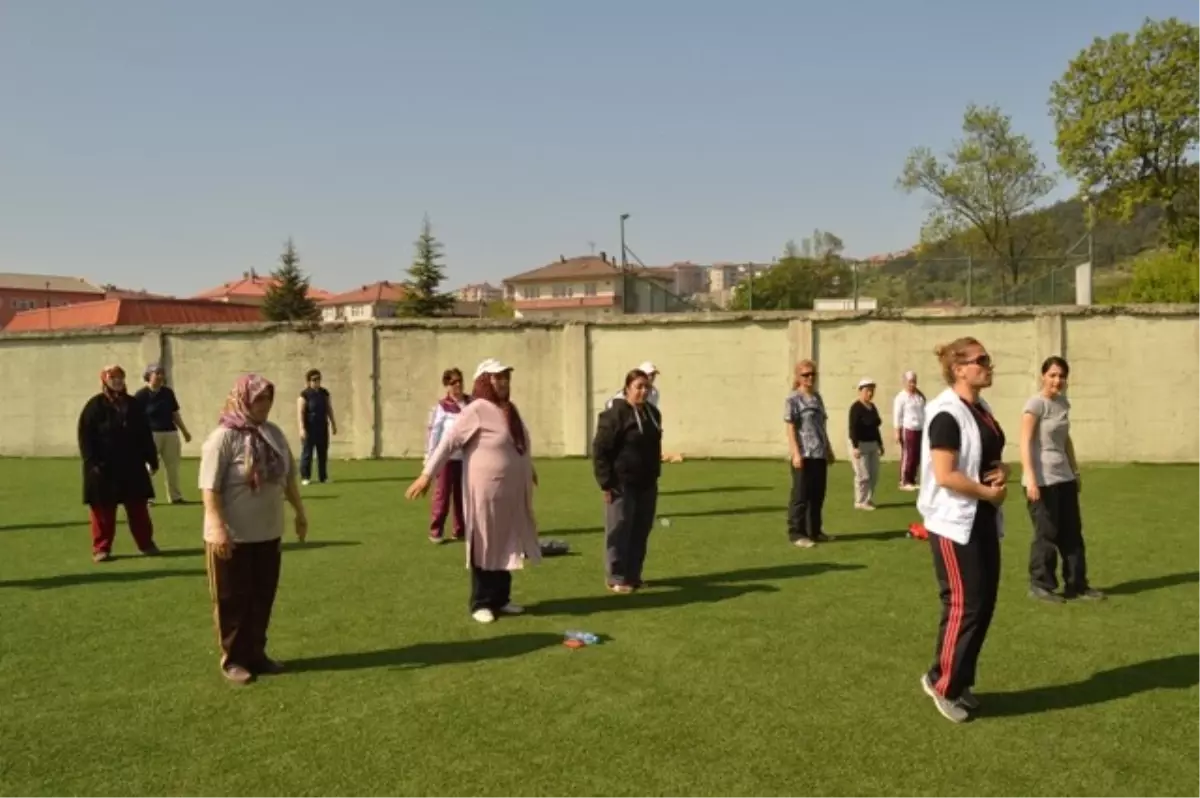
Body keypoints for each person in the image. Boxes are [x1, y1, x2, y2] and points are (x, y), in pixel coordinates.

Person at [405, 358, 541, 624]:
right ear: (484, 381)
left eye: (506, 377)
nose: (503, 382)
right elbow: (449, 441)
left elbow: (518, 444)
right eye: (497, 377)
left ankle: (502, 598)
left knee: (506, 540)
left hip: (511, 493)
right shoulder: (477, 409)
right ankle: (481, 601)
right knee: (484, 541)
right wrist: (427, 475)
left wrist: (528, 467)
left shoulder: (510, 409)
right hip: (485, 492)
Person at [916, 337, 1009, 723]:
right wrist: (988, 491)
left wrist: (1004, 472)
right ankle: (943, 684)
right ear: (959, 368)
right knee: (963, 604)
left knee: (983, 605)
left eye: (988, 358)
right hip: (954, 523)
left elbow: (987, 455)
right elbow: (945, 474)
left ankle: (959, 679)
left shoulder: (980, 408)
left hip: (982, 517)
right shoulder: (945, 414)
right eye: (980, 360)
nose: (988, 366)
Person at [200, 374, 308, 685]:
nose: (265, 405)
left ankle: (256, 654)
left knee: (262, 596)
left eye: (268, 399)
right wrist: (218, 527)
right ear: (243, 398)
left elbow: (287, 478)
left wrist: (300, 513)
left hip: (268, 532)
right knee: (232, 599)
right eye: (259, 398)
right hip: (233, 536)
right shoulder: (223, 438)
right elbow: (209, 488)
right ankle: (233, 659)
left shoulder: (273, 433)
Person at [1020, 356, 1104, 604]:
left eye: (1062, 376)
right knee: (1046, 534)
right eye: (1053, 375)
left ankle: (1077, 584)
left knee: (1072, 533)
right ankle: (1040, 585)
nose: (1057, 380)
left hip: (1064, 477)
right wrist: (1032, 479)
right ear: (1043, 376)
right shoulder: (1035, 405)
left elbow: (1065, 440)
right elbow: (1024, 442)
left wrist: (1075, 472)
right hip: (1042, 481)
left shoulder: (1063, 403)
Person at [78, 365, 161, 562]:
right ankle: (101, 548)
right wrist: (92, 464)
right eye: (112, 377)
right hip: (103, 467)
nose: (117, 381)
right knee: (102, 511)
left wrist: (151, 458)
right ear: (104, 380)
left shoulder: (133, 404)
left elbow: (144, 434)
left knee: (138, 508)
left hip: (132, 465)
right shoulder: (94, 406)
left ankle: (146, 544)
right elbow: (85, 437)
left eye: (120, 377)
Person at [593, 368, 664, 594]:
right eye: (638, 387)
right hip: (621, 483)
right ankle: (616, 577)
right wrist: (606, 483)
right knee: (619, 529)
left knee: (640, 529)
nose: (643, 391)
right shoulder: (614, 415)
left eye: (647, 387)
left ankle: (633, 575)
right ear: (627, 389)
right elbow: (600, 450)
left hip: (647, 482)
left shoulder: (653, 413)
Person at [784, 359, 835, 548]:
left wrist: (828, 448)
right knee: (801, 495)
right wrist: (795, 453)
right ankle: (797, 533)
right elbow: (790, 428)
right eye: (805, 374)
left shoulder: (817, 398)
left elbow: (821, 425)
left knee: (817, 495)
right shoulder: (793, 399)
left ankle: (815, 531)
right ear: (798, 377)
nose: (810, 378)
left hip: (819, 453)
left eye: (812, 374)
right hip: (803, 454)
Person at [134, 362, 193, 504]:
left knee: (173, 467)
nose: (160, 376)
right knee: (151, 467)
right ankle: (148, 497)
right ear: (149, 376)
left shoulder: (168, 393)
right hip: (151, 435)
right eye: (157, 373)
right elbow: (135, 417)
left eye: (161, 373)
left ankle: (175, 497)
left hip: (170, 433)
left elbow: (174, 413)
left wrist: (184, 431)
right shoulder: (141, 395)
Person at [425, 367, 471, 544]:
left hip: (465, 458)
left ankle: (460, 530)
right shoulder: (442, 406)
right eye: (453, 382)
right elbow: (435, 432)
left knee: (462, 497)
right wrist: (430, 457)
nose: (458, 385)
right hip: (446, 458)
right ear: (446, 385)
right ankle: (436, 531)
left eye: (460, 381)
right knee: (442, 495)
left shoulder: (470, 402)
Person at [297, 369, 337, 485]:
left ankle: (323, 477)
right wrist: (301, 429)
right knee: (307, 453)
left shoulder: (324, 393)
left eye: (318, 379)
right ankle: (305, 476)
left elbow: (329, 409)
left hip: (322, 426)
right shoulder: (304, 395)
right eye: (314, 380)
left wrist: (333, 424)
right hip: (309, 427)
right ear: (309, 381)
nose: (317, 382)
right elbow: (300, 413)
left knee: (322, 452)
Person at [849, 377, 883, 510]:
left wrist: (880, 444)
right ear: (860, 391)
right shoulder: (856, 408)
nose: (870, 393)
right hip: (860, 444)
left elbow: (875, 427)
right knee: (863, 475)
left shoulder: (872, 407)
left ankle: (868, 499)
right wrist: (855, 446)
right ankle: (860, 501)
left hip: (872, 443)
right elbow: (852, 428)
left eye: (872, 390)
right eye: (868, 390)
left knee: (874, 474)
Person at [892, 370, 926, 490]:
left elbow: (923, 411)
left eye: (914, 382)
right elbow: (897, 415)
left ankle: (912, 479)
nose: (912, 384)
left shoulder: (919, 396)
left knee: (916, 455)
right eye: (910, 382)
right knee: (908, 454)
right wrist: (897, 431)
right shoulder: (901, 397)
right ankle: (904, 480)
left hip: (919, 428)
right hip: (908, 428)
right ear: (905, 382)